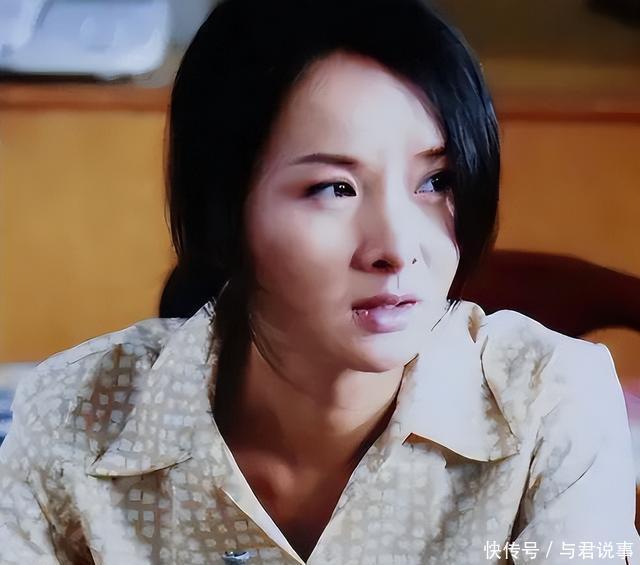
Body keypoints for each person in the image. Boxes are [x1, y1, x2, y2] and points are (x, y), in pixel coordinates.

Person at [1, 0, 638, 563]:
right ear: (225, 209)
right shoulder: (71, 413)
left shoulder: (554, 401)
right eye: (334, 188)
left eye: (436, 181)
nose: (397, 249)